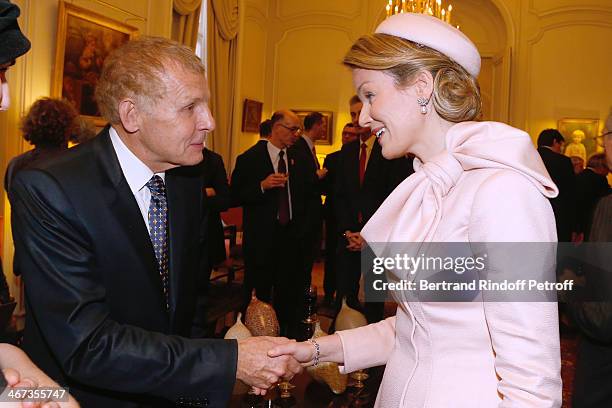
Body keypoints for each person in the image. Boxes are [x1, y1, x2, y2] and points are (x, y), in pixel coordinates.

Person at [269, 13, 562, 407]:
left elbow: (533, 382)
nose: (362, 116)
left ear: (423, 86)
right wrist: (315, 351)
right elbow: (418, 328)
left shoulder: (503, 192)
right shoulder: (427, 188)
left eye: (370, 95)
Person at [9, 37, 300, 407]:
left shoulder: (186, 177)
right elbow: (87, 345)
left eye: (206, 104)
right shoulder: (51, 189)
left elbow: (191, 301)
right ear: (132, 115)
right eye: (190, 107)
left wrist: (194, 388)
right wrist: (229, 362)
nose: (209, 121)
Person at [230, 110, 313, 337]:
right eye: (292, 129)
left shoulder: (300, 158)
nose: (296, 134)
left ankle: (286, 336)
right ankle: (257, 335)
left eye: (299, 130)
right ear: (276, 128)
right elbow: (234, 195)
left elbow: (308, 197)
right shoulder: (249, 158)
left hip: (292, 237)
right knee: (259, 290)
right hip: (262, 239)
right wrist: (262, 186)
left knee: (289, 291)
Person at [320, 123, 360, 305]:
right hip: (334, 215)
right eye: (344, 133)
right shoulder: (333, 158)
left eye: (351, 135)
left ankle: (351, 299)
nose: (346, 137)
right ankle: (330, 294)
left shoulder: (363, 157)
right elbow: (329, 188)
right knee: (333, 258)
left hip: (355, 217)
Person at [290, 111, 327, 287]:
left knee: (306, 264)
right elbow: (299, 181)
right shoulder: (298, 148)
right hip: (302, 217)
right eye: (323, 126)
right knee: (300, 264)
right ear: (316, 125)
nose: (324, 130)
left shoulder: (309, 147)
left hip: (310, 216)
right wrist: (317, 176)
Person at [537, 128, 577, 242]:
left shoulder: (528, 158)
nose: (561, 149)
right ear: (555, 142)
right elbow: (571, 193)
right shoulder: (563, 161)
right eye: (561, 145)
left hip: (534, 212)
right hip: (559, 215)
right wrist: (575, 226)